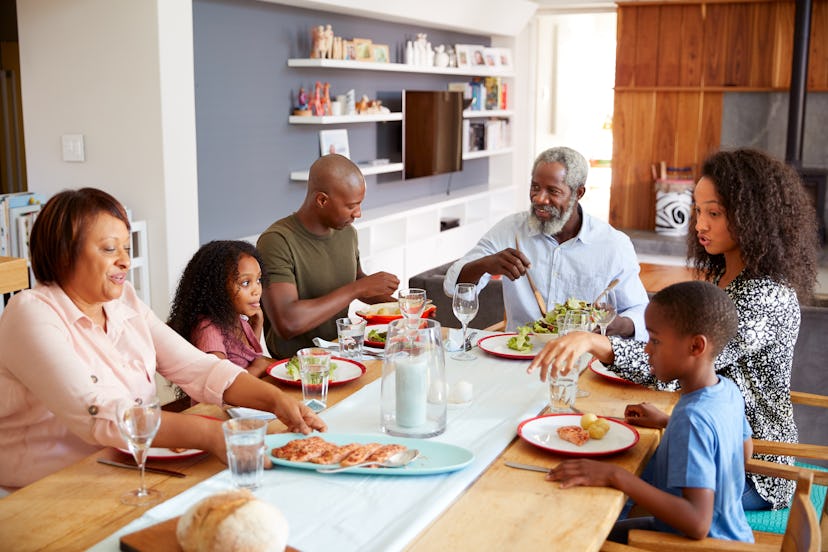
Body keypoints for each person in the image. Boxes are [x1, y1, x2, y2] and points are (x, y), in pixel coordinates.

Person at [530, 148, 819, 511]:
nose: (700, 224)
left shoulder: (766, 295)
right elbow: (706, 381)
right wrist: (672, 418)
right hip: (710, 442)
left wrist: (596, 341)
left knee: (603, 492)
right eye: (698, 210)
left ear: (753, 217)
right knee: (596, 463)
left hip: (751, 471)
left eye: (714, 213)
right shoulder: (725, 276)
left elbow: (684, 360)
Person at [0, 188, 326, 490]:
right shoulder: (31, 313)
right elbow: (100, 415)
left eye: (127, 248)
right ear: (63, 254)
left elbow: (200, 367)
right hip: (47, 489)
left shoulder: (123, 302)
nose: (125, 261)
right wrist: (212, 434)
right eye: (110, 249)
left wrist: (275, 401)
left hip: (126, 467)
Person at [548, 281, 754, 543]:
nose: (647, 349)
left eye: (655, 340)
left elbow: (697, 523)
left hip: (699, 546)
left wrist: (616, 476)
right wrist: (669, 421)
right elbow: (744, 451)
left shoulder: (692, 419)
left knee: (574, 536)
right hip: (733, 536)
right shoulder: (726, 391)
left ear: (696, 347)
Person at [444, 146, 649, 339]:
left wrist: (618, 324)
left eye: (553, 191)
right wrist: (485, 264)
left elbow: (640, 311)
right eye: (535, 187)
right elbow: (452, 287)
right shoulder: (510, 230)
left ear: (578, 193)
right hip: (519, 355)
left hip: (585, 356)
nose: (540, 199)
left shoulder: (613, 245)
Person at [257, 154, 399, 359]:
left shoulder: (348, 233)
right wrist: (358, 288)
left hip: (340, 353)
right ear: (322, 200)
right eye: (351, 206)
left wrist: (405, 310)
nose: (358, 213)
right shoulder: (276, 241)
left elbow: (356, 280)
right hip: (296, 366)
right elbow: (287, 322)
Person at [168, 240, 274, 378]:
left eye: (258, 280)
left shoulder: (234, 319)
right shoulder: (209, 331)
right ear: (217, 288)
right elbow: (222, 383)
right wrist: (258, 367)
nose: (257, 290)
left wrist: (257, 325)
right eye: (246, 283)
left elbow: (246, 355)